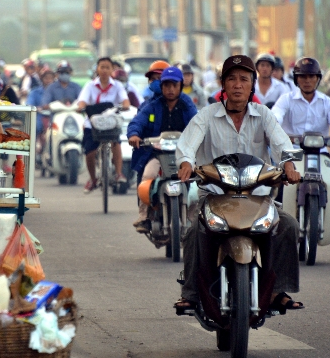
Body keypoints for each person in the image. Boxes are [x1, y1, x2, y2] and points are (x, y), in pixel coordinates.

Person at [174, 54, 304, 315]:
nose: (237, 85)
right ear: (223, 84)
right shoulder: (206, 116)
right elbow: (187, 144)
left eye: (243, 79)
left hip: (257, 198)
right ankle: (189, 293)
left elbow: (281, 143)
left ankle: (278, 291)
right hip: (214, 197)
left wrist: (288, 165)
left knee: (288, 225)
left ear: (252, 85)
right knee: (192, 232)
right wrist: (186, 163)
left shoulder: (264, 115)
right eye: (231, 79)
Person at [271, 57, 330, 241]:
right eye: (303, 76)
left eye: (311, 76)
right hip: (293, 151)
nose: (307, 80)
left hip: (319, 152)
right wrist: (275, 130)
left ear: (318, 78)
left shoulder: (327, 102)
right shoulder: (286, 100)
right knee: (285, 183)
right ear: (296, 79)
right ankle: (281, 224)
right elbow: (275, 118)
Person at [127, 66, 198, 233]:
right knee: (147, 176)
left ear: (181, 85)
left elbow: (198, 124)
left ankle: (193, 220)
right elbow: (138, 121)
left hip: (184, 157)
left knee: (198, 183)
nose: (171, 89)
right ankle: (144, 216)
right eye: (166, 85)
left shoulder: (187, 105)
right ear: (161, 86)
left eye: (174, 85)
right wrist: (134, 134)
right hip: (157, 155)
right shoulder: (153, 105)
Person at [77, 56, 130, 193]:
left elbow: (125, 101)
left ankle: (118, 174)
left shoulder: (118, 86)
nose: (105, 70)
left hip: (111, 123)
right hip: (92, 124)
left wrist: (125, 105)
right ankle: (93, 179)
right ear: (97, 69)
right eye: (102, 67)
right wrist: (81, 106)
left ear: (112, 69)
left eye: (108, 67)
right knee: (90, 152)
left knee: (116, 144)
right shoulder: (90, 86)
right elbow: (82, 101)